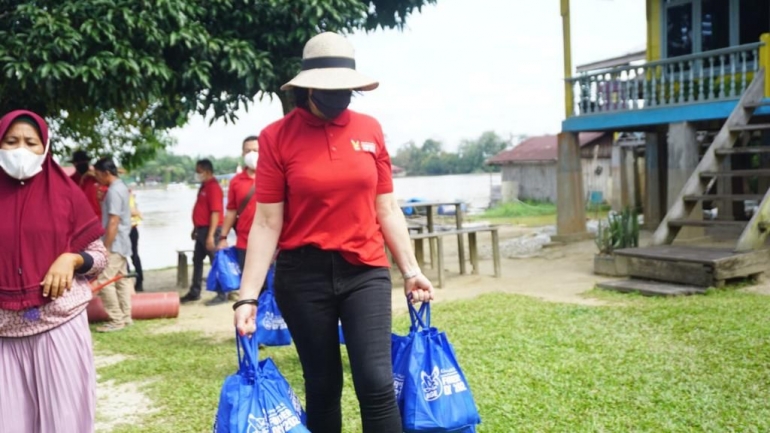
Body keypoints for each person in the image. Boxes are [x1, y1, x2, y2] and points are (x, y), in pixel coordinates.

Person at [234, 32, 434, 433]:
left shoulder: (370, 130)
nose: (338, 95)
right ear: (307, 87)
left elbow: (387, 207)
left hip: (365, 271)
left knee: (376, 382)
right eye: (328, 88)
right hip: (303, 276)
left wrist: (411, 269)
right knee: (323, 384)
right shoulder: (277, 137)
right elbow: (267, 222)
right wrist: (247, 297)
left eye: (345, 87)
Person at [0, 110, 108, 432]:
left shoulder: (67, 194)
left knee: (64, 423)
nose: (21, 149)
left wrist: (72, 259)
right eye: (11, 141)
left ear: (45, 148)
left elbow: (99, 257)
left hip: (58, 325)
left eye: (31, 142)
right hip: (4, 334)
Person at [93, 157, 135, 332]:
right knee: (121, 280)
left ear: (106, 173)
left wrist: (106, 247)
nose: (97, 178)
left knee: (104, 280)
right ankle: (126, 316)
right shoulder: (120, 188)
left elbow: (113, 221)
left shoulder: (114, 192)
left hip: (116, 243)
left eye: (97, 175)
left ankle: (117, 319)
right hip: (123, 240)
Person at [181, 159, 225, 305]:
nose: (197, 174)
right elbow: (202, 210)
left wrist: (211, 235)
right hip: (201, 229)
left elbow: (215, 213)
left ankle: (222, 293)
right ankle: (195, 291)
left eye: (199, 172)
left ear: (207, 171)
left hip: (210, 230)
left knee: (215, 261)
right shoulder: (204, 187)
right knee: (197, 260)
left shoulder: (213, 187)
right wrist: (195, 229)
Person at [69, 149, 105, 220]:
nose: (81, 164)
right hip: (79, 222)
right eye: (78, 162)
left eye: (84, 161)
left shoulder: (98, 178)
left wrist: (97, 177)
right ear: (74, 164)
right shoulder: (70, 181)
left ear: (88, 162)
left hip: (98, 220)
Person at [129, 189, 144, 292]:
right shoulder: (129, 196)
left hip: (131, 229)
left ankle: (139, 281)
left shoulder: (128, 197)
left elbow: (135, 212)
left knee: (133, 256)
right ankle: (134, 282)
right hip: (127, 229)